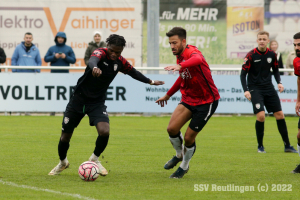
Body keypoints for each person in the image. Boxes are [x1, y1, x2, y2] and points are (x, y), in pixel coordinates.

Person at [48, 34, 164, 176]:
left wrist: (150, 81)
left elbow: (133, 72)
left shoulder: (120, 62)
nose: (114, 54)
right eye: (112, 51)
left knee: (105, 131)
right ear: (107, 47)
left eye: (118, 52)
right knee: (65, 137)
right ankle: (63, 162)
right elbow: (92, 60)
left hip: (97, 102)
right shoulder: (100, 53)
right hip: (78, 100)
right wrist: (95, 67)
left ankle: (94, 159)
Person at [155, 27, 220, 179]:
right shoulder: (179, 56)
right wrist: (168, 95)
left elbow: (198, 59)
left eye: (175, 42)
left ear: (184, 41)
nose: (172, 46)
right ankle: (178, 155)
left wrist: (181, 65)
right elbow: (182, 77)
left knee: (189, 138)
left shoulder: (191, 52)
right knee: (171, 129)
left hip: (206, 101)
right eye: (170, 43)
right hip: (188, 99)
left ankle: (184, 166)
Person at [240, 31, 297, 154]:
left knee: (280, 115)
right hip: (255, 88)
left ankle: (287, 146)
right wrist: (246, 90)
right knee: (261, 116)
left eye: (264, 39)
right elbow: (243, 74)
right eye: (259, 39)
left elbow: (276, 70)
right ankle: (260, 146)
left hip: (269, 88)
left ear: (267, 41)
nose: (261, 41)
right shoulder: (251, 55)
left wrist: (279, 82)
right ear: (257, 41)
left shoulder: (272, 54)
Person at [292, 32, 300, 173]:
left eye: (299, 44)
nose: (296, 48)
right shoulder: (296, 61)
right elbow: (299, 80)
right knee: (299, 135)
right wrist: (298, 100)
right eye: (295, 45)